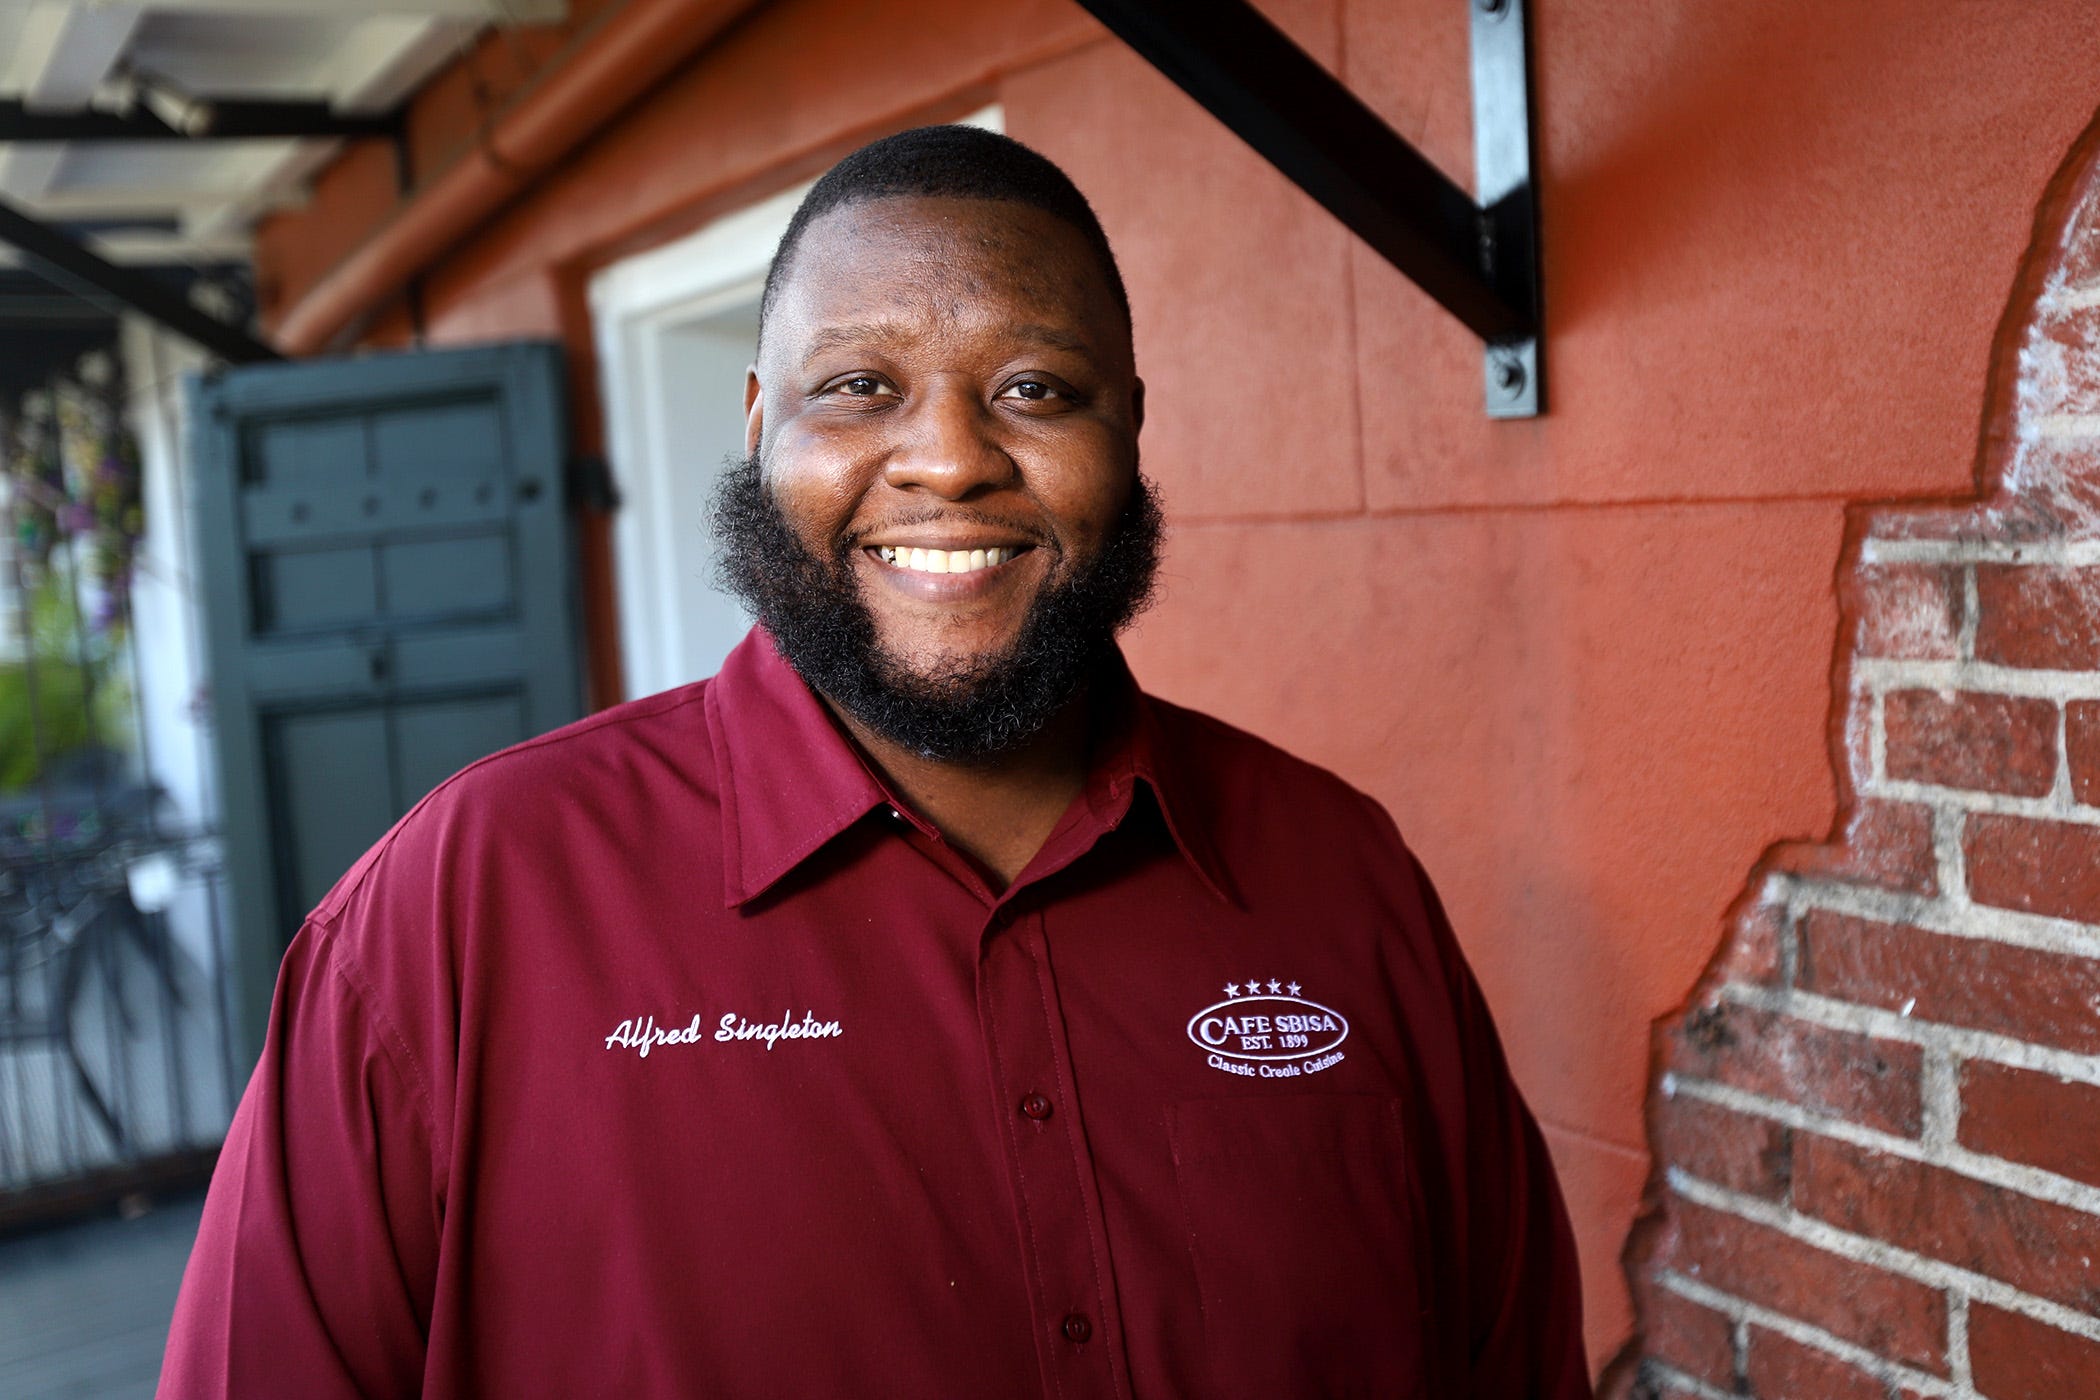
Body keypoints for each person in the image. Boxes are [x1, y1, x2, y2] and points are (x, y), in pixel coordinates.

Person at [160, 125, 1590, 1398]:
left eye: (1036, 387)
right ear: (757, 429)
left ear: (1132, 429)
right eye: (857, 385)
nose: (950, 461)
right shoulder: (461, 911)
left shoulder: (1341, 879)